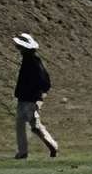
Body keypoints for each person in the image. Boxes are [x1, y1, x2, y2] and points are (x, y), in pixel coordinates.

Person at [12, 31, 58, 159]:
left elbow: (44, 82)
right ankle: (24, 151)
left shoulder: (33, 62)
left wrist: (39, 97)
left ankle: (52, 146)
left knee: (33, 126)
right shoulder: (29, 61)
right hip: (25, 98)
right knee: (25, 124)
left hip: (30, 99)